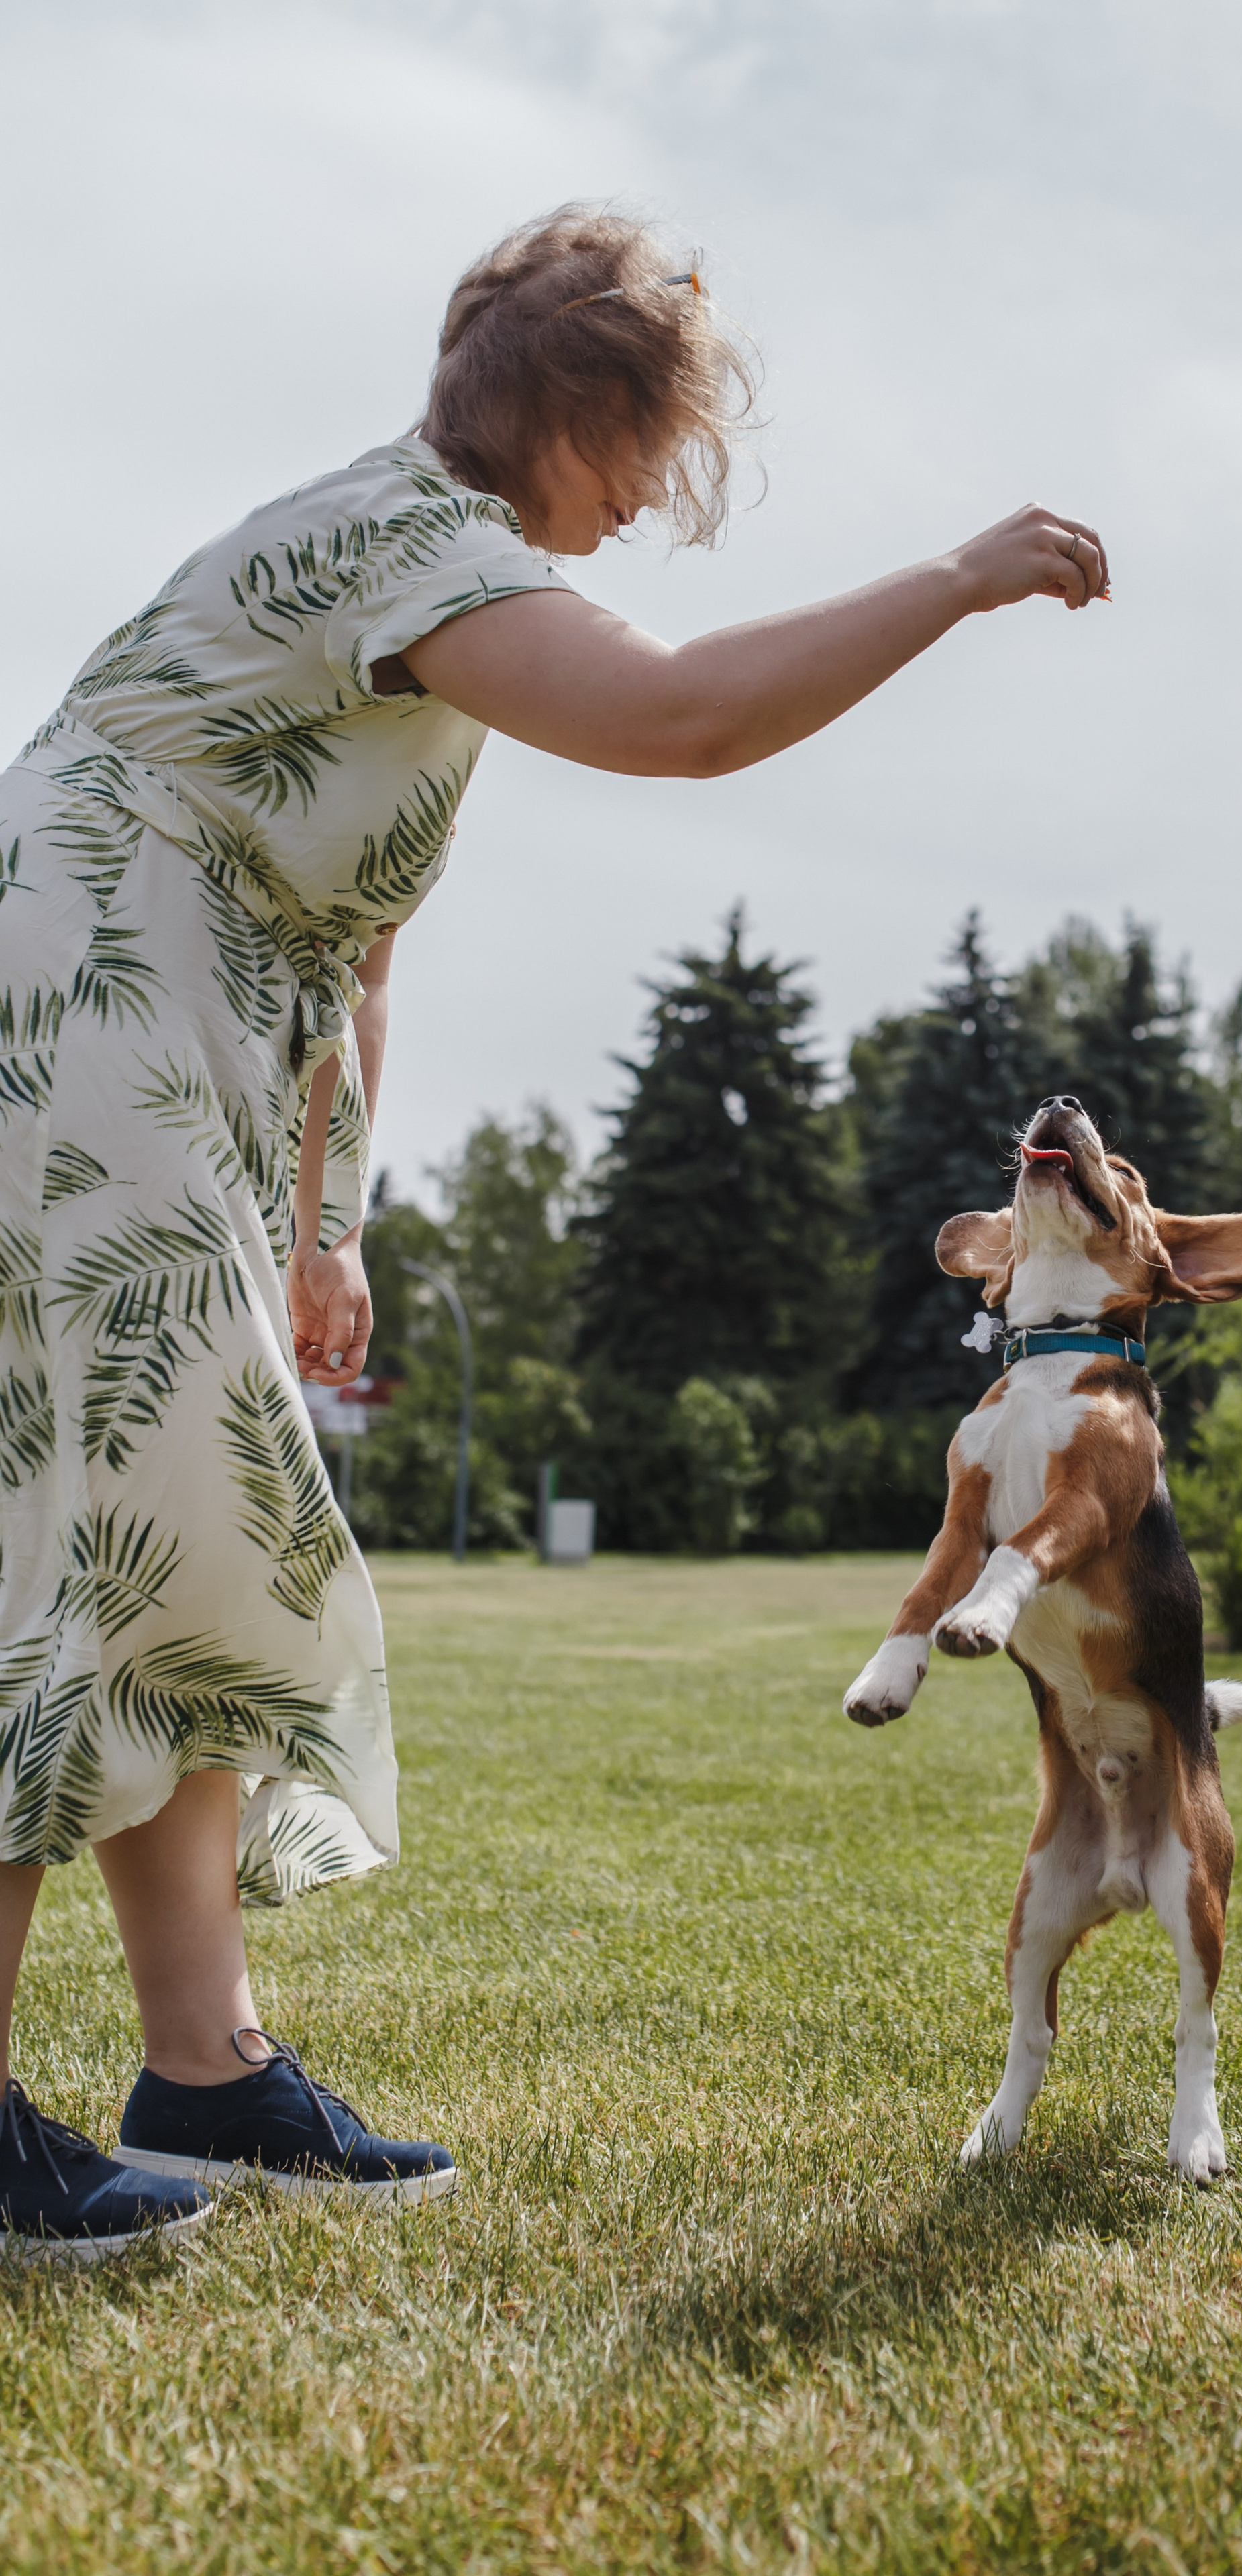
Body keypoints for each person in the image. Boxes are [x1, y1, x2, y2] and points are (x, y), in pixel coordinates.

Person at [0, 205, 1108, 2256]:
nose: (658, 499)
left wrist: (333, 1224)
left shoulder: (439, 601)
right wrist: (955, 580)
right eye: (652, 449)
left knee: (193, 1525)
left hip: (184, 1029)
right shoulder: (415, 545)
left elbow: (367, 953)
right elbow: (686, 717)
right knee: (82, 1530)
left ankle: (204, 2073)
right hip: (87, 993)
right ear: (577, 419)